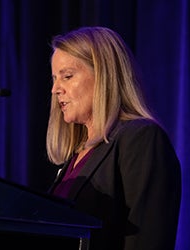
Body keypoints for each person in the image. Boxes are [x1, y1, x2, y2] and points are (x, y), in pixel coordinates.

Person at [46, 26, 181, 250]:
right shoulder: (76, 154)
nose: (55, 89)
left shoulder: (141, 139)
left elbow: (147, 240)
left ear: (104, 76)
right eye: (54, 79)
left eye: (67, 76)